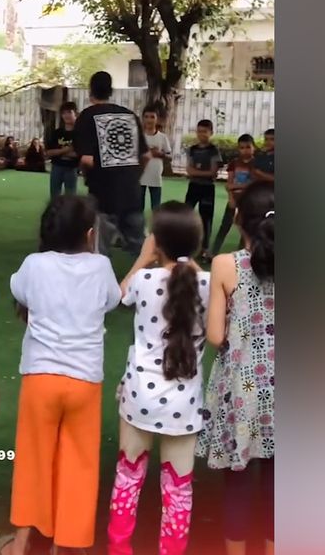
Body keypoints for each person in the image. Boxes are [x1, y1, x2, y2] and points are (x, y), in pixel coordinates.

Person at [0, 196, 122, 555]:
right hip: (84, 381)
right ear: (89, 234)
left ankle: (21, 543)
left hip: (42, 377)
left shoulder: (34, 264)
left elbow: (19, 291)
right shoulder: (100, 266)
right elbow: (112, 300)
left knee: (33, 459)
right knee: (80, 464)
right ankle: (67, 544)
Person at [107, 203, 210, 555]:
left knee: (128, 476)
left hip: (139, 397)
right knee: (179, 490)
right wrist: (191, 263)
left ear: (156, 242)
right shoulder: (208, 285)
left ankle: (119, 548)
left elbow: (118, 295)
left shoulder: (144, 280)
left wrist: (141, 259)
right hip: (185, 404)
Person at [197, 181, 275, 555]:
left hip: (242, 388)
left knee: (238, 481)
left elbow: (215, 335)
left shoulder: (226, 265)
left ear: (240, 220)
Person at [74, 71, 149, 255]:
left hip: (103, 193)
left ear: (91, 90)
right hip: (131, 192)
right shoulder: (130, 116)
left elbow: (86, 160)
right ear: (111, 90)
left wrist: (87, 176)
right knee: (142, 250)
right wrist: (134, 176)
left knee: (98, 251)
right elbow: (146, 156)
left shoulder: (86, 116)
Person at [184, 119, 223, 261]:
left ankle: (204, 249)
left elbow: (213, 172)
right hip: (193, 186)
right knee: (186, 214)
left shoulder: (214, 150)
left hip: (207, 188)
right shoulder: (192, 150)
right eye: (199, 131)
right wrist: (200, 173)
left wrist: (196, 172)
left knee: (206, 218)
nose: (202, 134)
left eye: (205, 131)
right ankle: (185, 244)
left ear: (211, 133)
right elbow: (189, 170)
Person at [212, 134, 257, 254]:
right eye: (242, 147)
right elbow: (229, 184)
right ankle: (213, 253)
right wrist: (231, 198)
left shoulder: (256, 164)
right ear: (238, 149)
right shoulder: (234, 163)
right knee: (224, 226)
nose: (245, 150)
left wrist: (235, 186)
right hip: (234, 200)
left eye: (248, 147)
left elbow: (253, 184)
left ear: (254, 147)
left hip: (248, 202)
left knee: (245, 229)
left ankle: (243, 254)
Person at [139, 104, 172, 216]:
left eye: (152, 117)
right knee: (138, 207)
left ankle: (156, 226)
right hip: (140, 175)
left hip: (155, 176)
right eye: (146, 117)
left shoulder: (162, 137)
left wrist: (160, 154)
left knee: (156, 207)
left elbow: (169, 156)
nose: (149, 120)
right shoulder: (138, 136)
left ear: (157, 119)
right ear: (143, 118)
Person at [45, 102, 80, 197]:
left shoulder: (79, 133)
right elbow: (49, 152)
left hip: (72, 168)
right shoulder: (57, 133)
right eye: (64, 113)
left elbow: (78, 154)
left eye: (69, 112)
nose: (66, 115)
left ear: (75, 113)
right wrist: (67, 150)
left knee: (70, 196)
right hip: (56, 167)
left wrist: (58, 152)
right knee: (54, 195)